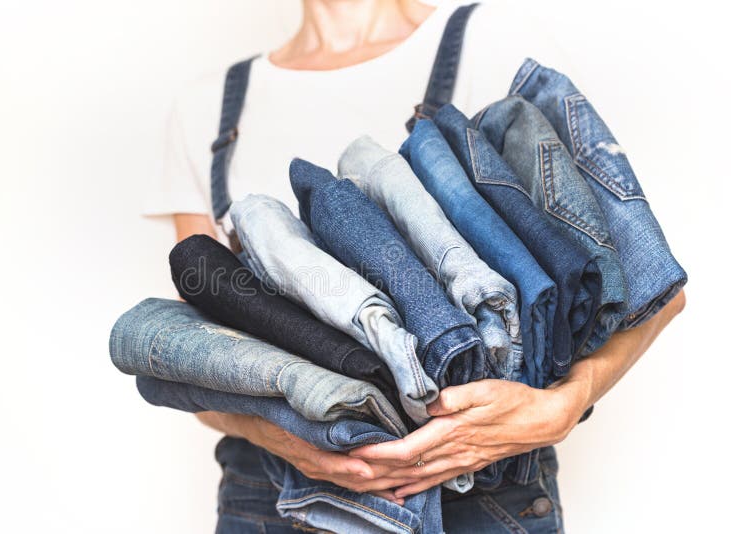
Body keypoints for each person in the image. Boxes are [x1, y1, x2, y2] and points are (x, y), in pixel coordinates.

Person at [145, 0, 686, 531]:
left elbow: (645, 284)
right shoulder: (208, 107)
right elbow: (204, 365)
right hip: (268, 499)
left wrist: (567, 403)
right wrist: (285, 434)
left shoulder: (488, 40)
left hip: (477, 493)